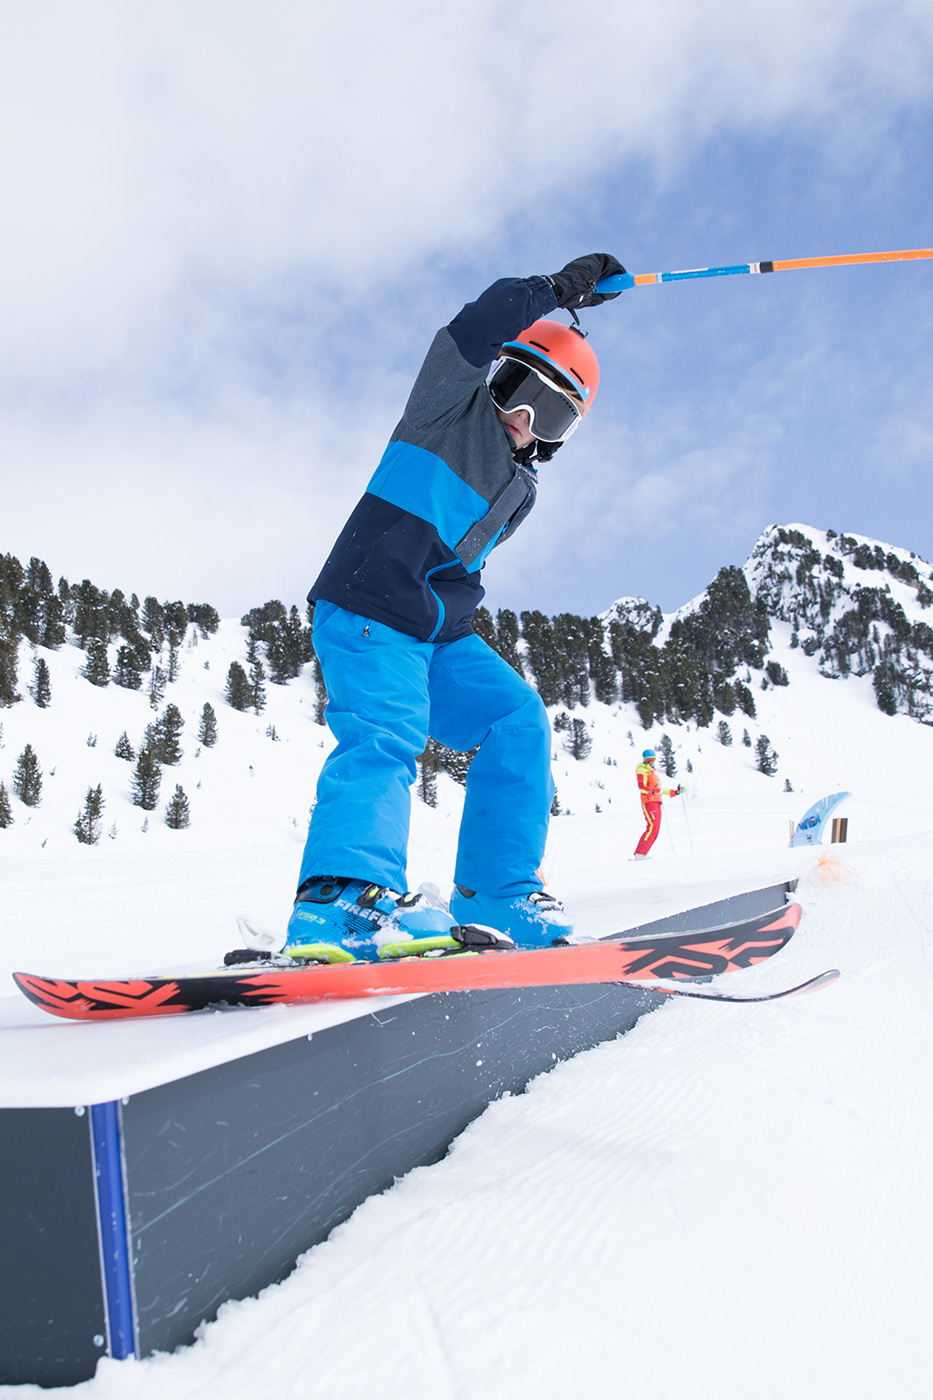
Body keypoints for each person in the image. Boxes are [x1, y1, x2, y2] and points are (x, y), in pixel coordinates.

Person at [285, 253, 626, 963]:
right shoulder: (447, 409)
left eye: (551, 413)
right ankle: (342, 900)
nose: (524, 418)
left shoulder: (520, 490)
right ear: (495, 375)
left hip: (436, 632)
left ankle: (496, 892)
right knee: (385, 734)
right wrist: (556, 290)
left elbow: (455, 567)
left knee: (516, 718)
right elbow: (478, 322)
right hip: (371, 606)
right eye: (519, 390)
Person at [633, 749, 682, 859]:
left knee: (655, 829)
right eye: (648, 760)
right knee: (652, 827)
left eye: (653, 759)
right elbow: (642, 787)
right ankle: (640, 854)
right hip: (649, 801)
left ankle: (642, 854)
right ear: (644, 759)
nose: (651, 762)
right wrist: (652, 791)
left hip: (656, 801)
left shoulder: (652, 773)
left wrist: (674, 792)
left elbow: (658, 789)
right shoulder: (641, 770)